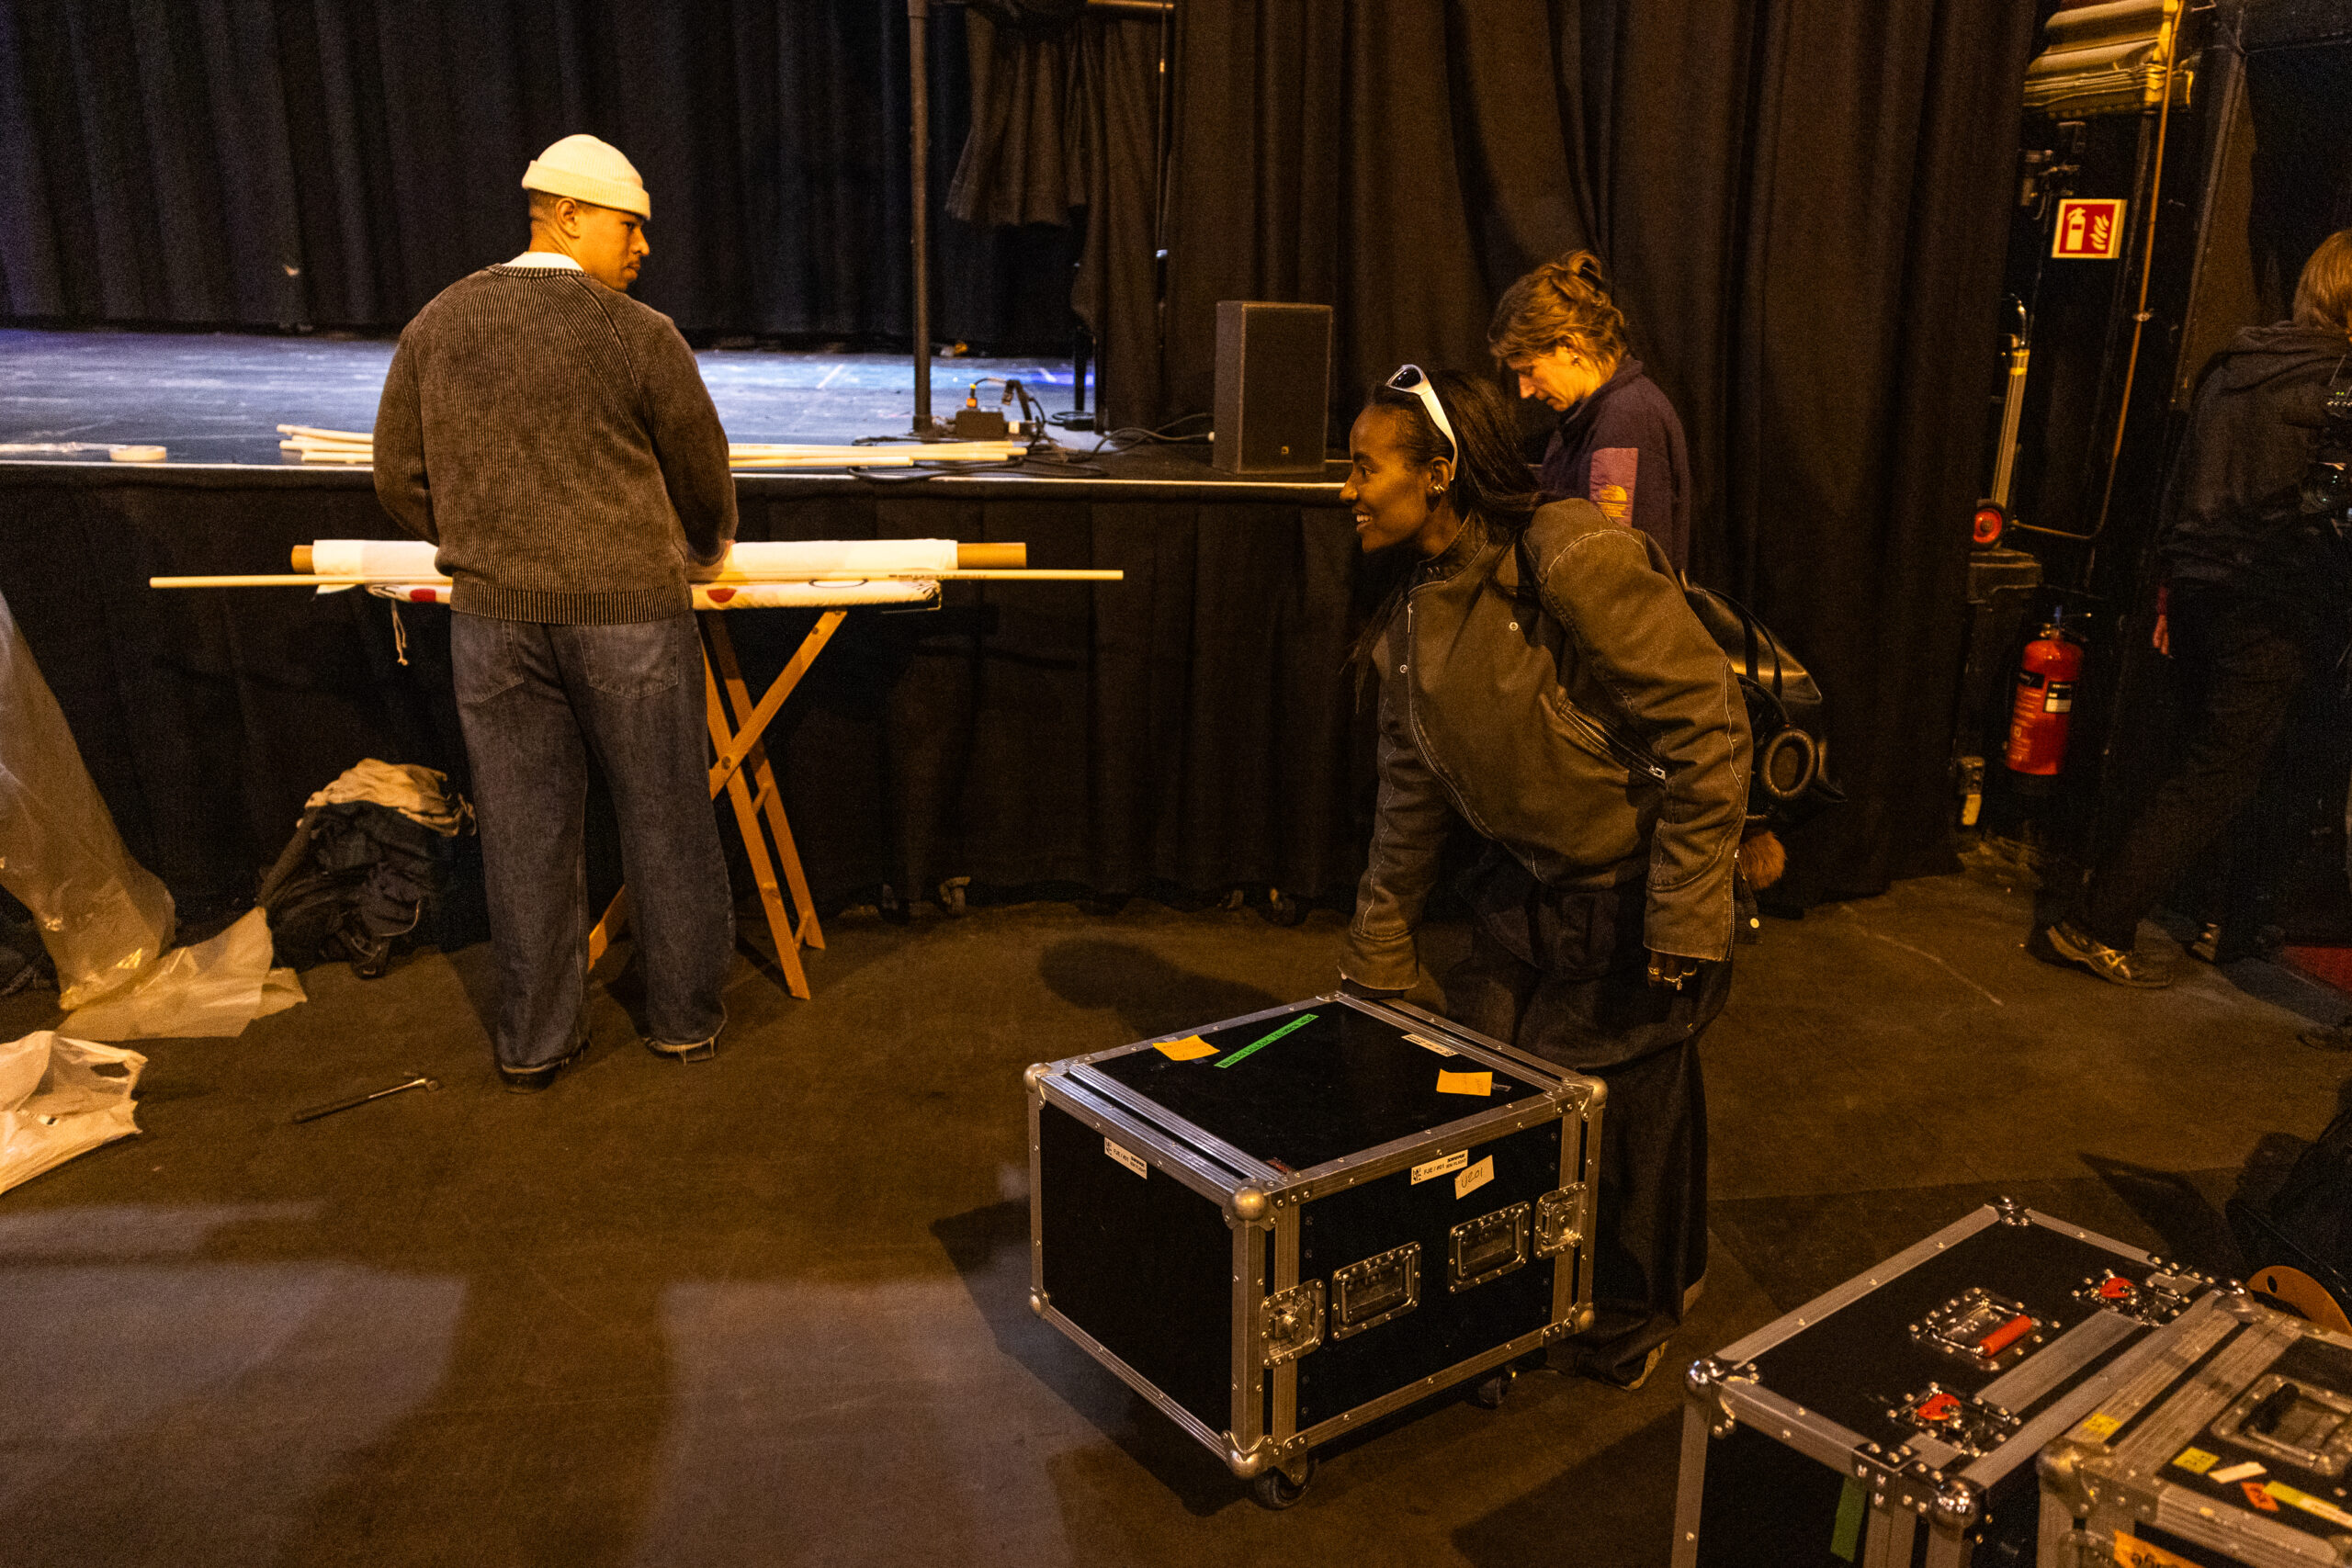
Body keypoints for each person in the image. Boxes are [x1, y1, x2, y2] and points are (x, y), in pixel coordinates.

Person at [1338, 365, 1752, 1387]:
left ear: (1438, 473)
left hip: (1638, 891)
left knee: (1627, 1116)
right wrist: (1378, 949)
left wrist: (1686, 912)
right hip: (1528, 891)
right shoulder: (1414, 620)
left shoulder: (1565, 554)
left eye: (1362, 468)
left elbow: (1707, 723)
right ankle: (1523, 1297)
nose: (1345, 489)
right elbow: (1408, 799)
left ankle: (1631, 1311)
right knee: (1492, 1095)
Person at [373, 133, 738, 1089]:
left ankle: (534, 1043)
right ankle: (685, 1022)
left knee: (525, 832)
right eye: (631, 225)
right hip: (629, 616)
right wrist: (701, 546)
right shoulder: (636, 332)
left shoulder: (439, 323)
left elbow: (397, 480)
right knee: (664, 819)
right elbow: (703, 473)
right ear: (568, 214)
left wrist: (483, 545)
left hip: (493, 623)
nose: (644, 247)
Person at [2036, 231, 2352, 987]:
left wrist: (2171, 585)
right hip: (2274, 598)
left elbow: (2181, 485)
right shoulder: (2340, 381)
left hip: (2200, 583)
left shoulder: (2234, 363)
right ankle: (2098, 920)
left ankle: (2213, 915)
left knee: (2192, 758)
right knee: (2227, 771)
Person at [1490, 251, 1695, 573]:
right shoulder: (1587, 417)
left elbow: (1619, 570)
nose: (1524, 390)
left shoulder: (1626, 421)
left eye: (1529, 369)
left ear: (1570, 346)